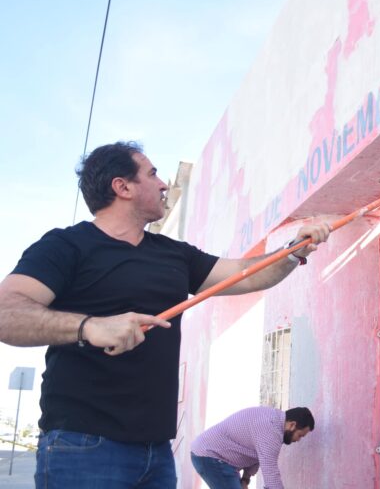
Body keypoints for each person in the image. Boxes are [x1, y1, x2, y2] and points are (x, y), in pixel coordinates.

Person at [0, 141, 330, 488]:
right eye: (152, 174)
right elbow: (7, 312)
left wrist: (294, 251)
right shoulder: (66, 246)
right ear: (122, 187)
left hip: (156, 452)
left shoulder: (174, 254)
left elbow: (246, 274)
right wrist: (89, 327)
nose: (162, 185)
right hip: (83, 445)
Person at [191, 406, 314, 489]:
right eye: (300, 435)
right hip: (210, 456)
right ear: (292, 425)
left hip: (213, 457)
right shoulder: (272, 431)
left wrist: (245, 480)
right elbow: (271, 474)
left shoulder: (273, 420)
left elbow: (256, 455)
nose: (298, 440)